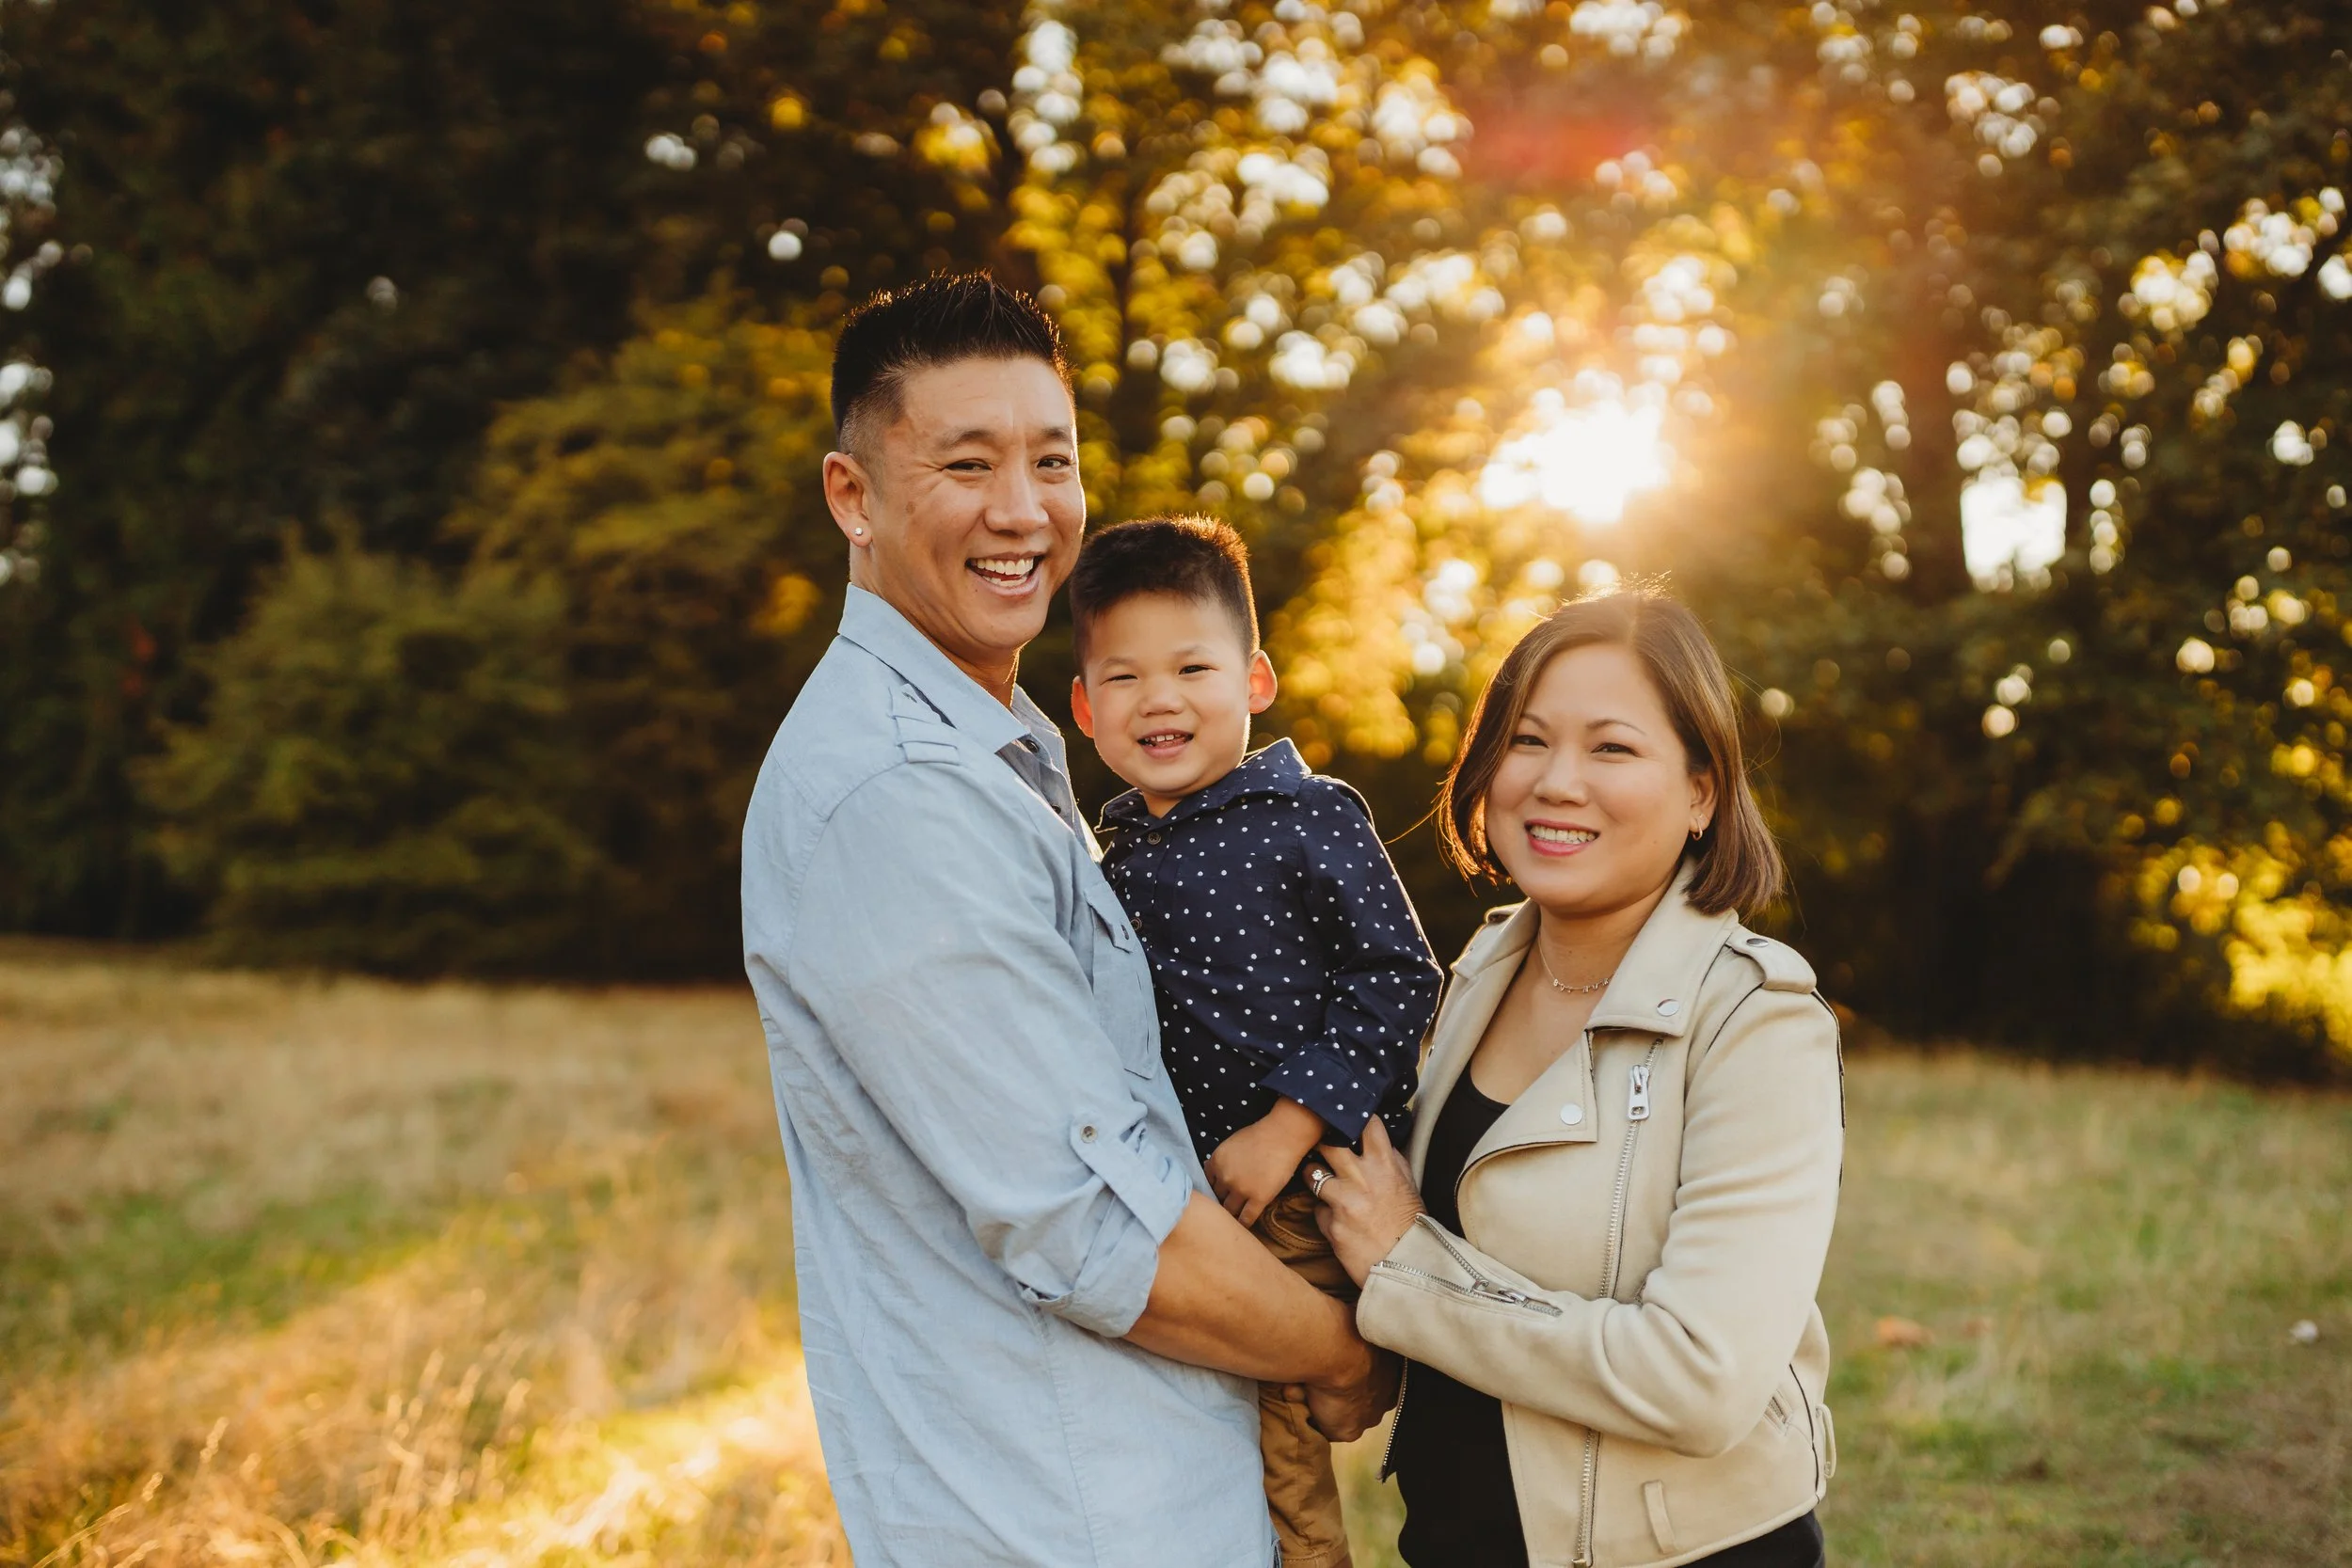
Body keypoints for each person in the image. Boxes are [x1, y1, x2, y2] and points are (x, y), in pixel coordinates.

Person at [739, 275, 1394, 1568]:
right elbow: (1095, 1234)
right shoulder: (900, 794)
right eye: (967, 462)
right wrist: (1345, 1346)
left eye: (1053, 459)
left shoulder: (1006, 757)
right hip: (1064, 1519)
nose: (1024, 509)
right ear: (852, 494)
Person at [1308, 586, 1846, 1568]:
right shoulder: (1475, 971)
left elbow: (1700, 1378)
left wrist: (1406, 1276)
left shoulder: (1755, 1020)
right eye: (1526, 740)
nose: (1557, 781)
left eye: (1611, 747)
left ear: (1701, 791)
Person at [1067, 515, 1442, 1568]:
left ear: (1255, 679)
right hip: (1187, 1201)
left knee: (1279, 1462)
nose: (1163, 698)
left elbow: (1399, 975)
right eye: (1127, 676)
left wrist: (1289, 1122)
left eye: (1193, 665)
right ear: (1086, 707)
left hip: (1303, 1190)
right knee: (1193, 1440)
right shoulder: (1110, 851)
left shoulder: (1307, 814)